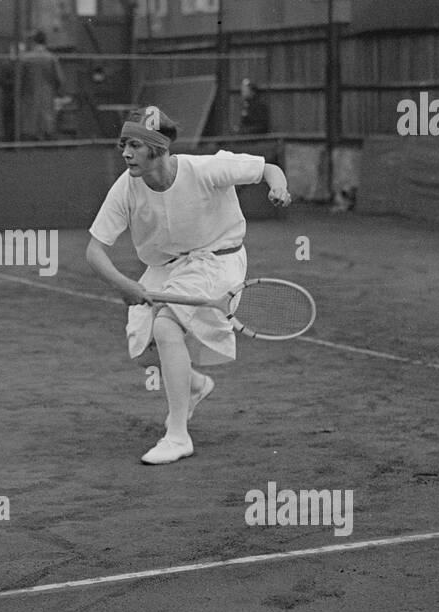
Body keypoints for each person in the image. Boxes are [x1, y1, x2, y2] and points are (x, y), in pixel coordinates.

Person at [85, 106, 292, 465]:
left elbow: (268, 170)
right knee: (144, 350)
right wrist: (124, 285)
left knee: (166, 326)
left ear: (159, 148)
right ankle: (194, 385)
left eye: (135, 145)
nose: (126, 153)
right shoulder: (126, 187)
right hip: (166, 267)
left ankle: (178, 435)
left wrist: (279, 188)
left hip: (217, 258)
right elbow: (94, 250)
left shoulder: (205, 169)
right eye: (124, 145)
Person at [17, 30, 64, 141]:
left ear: (34, 42)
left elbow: (19, 80)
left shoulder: (25, 58)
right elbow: (60, 79)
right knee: (48, 130)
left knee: (29, 131)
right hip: (47, 99)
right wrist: (57, 93)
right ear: (45, 42)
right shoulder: (51, 58)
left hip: (29, 99)